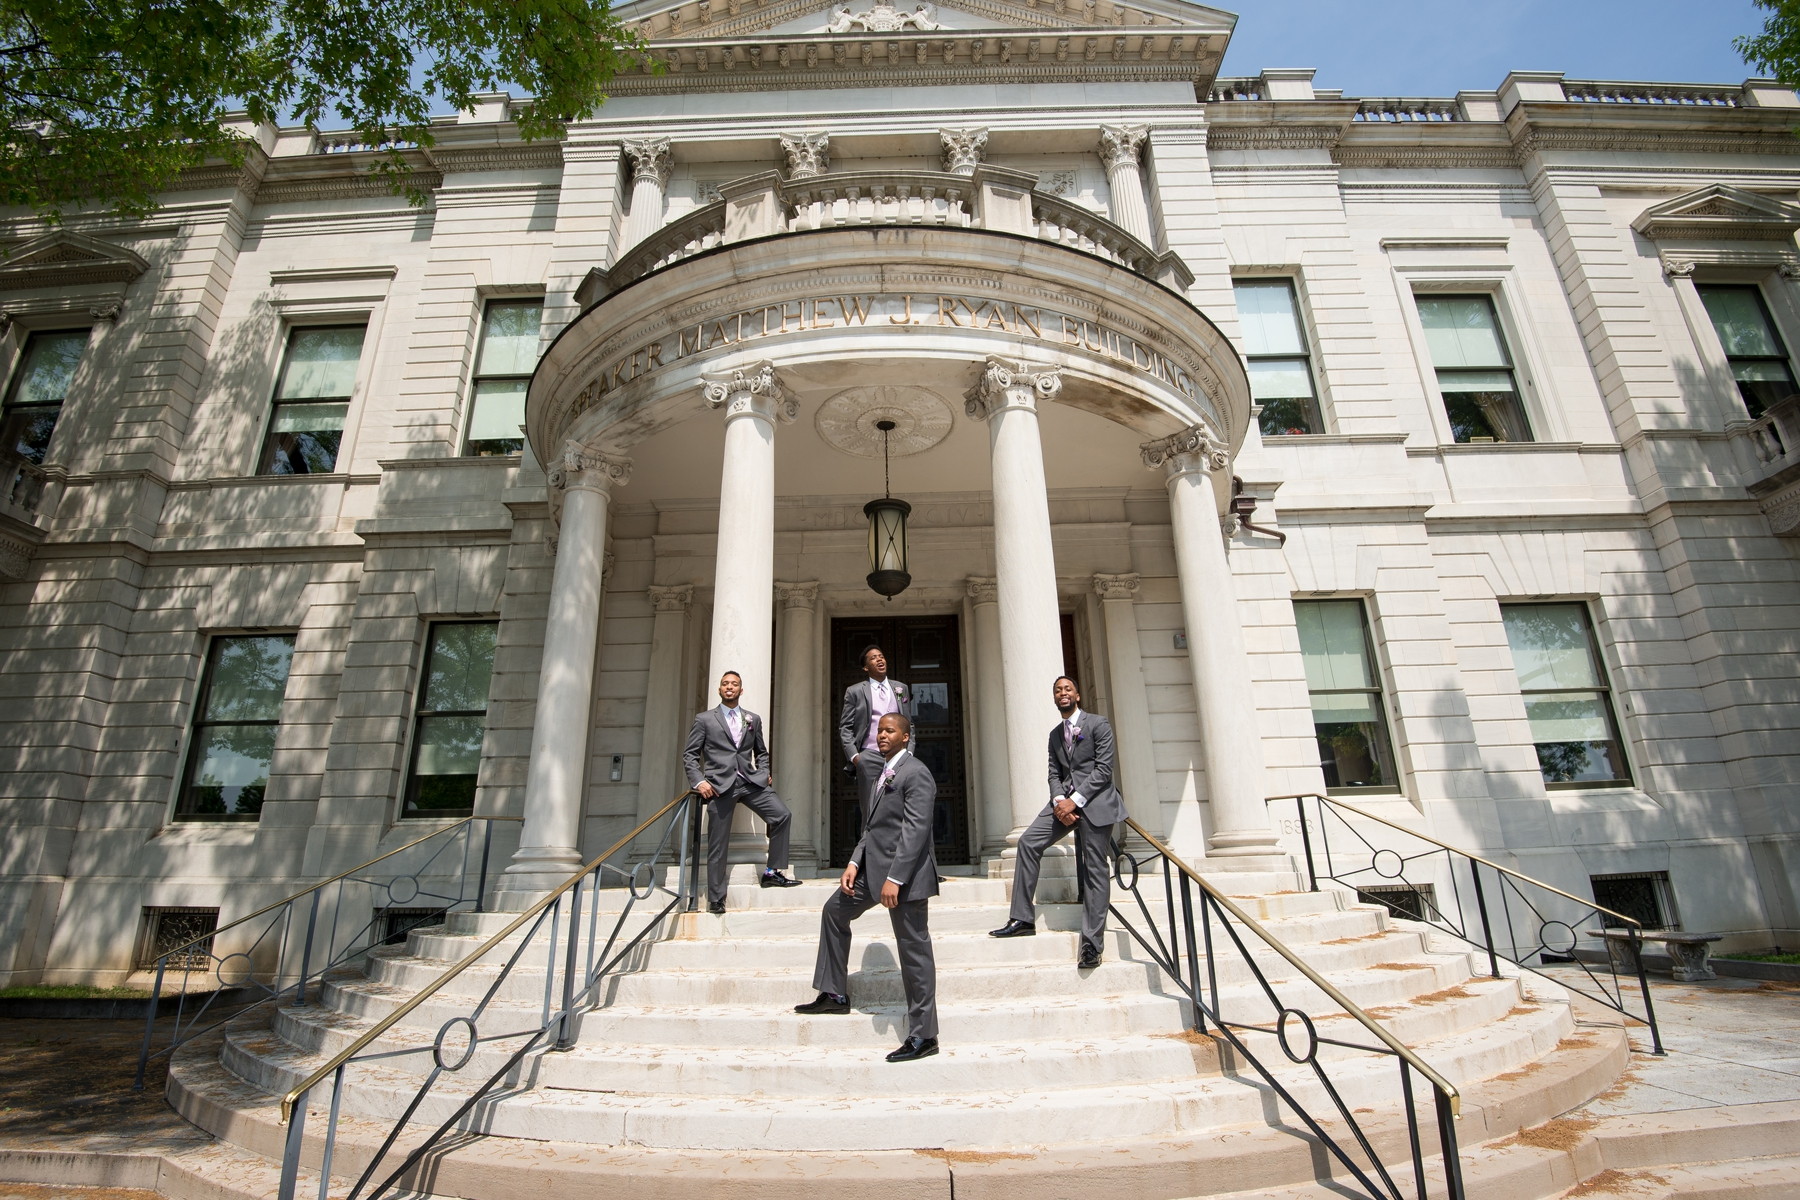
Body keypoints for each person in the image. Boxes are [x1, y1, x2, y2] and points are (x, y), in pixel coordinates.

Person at [796, 712, 941, 1063]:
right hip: (869, 871)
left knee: (914, 952)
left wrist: (896, 878)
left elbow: (915, 830)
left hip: (902, 878)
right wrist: (854, 861)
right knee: (834, 911)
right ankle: (834, 993)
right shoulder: (881, 773)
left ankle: (924, 1035)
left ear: (906, 736)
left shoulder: (917, 773)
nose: (882, 736)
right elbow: (873, 826)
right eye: (880, 731)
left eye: (890, 730)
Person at [989, 676, 1124, 968]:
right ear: (1054, 698)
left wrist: (1074, 800)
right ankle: (1023, 918)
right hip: (1063, 804)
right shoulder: (1054, 734)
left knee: (1094, 868)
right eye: (1057, 690)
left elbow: (1104, 769)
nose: (1062, 693)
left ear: (1077, 694)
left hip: (1096, 803)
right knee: (1027, 842)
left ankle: (1091, 945)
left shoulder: (1098, 725)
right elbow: (1053, 772)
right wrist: (1058, 801)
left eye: (1067, 689)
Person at [683, 671, 803, 914]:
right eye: (725, 684)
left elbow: (761, 751)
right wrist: (699, 782)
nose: (729, 687)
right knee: (718, 843)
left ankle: (772, 872)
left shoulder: (753, 719)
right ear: (719, 689)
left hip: (749, 781)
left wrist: (764, 771)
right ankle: (716, 898)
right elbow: (690, 755)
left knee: (782, 815)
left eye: (734, 684)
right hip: (718, 786)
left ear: (741, 690)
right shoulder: (705, 719)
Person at [836, 645, 910, 777]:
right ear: (866, 667)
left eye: (881, 657)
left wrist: (909, 751)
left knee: (896, 796)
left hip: (898, 756)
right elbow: (845, 727)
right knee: (870, 797)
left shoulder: (901, 688)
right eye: (874, 658)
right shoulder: (855, 691)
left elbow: (909, 723)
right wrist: (855, 757)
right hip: (868, 755)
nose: (879, 660)